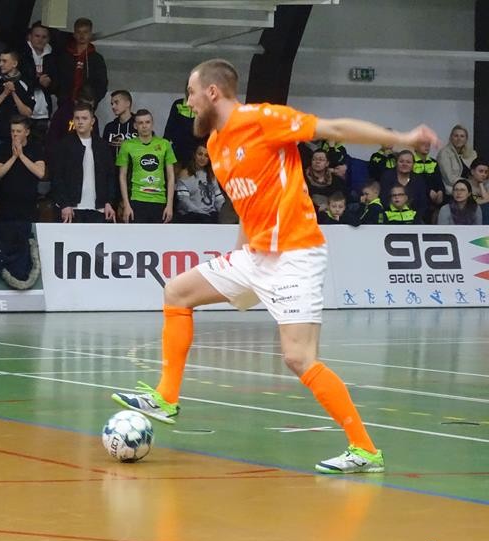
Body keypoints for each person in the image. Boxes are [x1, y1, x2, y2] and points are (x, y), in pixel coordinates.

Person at [111, 58, 438, 474]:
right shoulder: (216, 144)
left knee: (299, 358)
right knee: (177, 291)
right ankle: (166, 397)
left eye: (191, 93)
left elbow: (335, 129)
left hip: (295, 255)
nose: (188, 102)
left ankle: (365, 450)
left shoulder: (262, 120)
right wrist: (237, 266)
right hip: (254, 255)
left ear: (212, 92)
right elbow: (248, 208)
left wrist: (403, 138)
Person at [51, 103, 116, 223]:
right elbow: (57, 177)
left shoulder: (102, 145)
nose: (80, 122)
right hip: (71, 208)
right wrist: (64, 203)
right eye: (77, 118)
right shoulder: (64, 145)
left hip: (99, 208)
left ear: (92, 121)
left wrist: (109, 202)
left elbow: (110, 176)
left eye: (84, 118)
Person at [117, 109, 177, 223]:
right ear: (135, 126)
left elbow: (171, 176)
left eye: (147, 122)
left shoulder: (164, 144)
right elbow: (122, 176)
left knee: (158, 235)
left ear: (152, 123)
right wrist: (126, 204)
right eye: (140, 123)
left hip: (160, 200)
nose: (144, 126)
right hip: (136, 199)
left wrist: (170, 205)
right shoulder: (127, 145)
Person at [0, 50, 35, 161]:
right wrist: (5, 93)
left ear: (14, 63)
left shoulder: (25, 83)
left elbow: (28, 113)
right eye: (0, 61)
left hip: (18, 137)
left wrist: (14, 93)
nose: (0, 64)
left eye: (4, 61)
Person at [174, 144, 225, 224]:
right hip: (192, 215)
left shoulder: (211, 174)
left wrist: (224, 212)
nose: (202, 158)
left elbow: (219, 198)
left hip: (210, 214)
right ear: (194, 155)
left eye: (206, 156)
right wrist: (200, 212)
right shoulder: (184, 174)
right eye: (200, 154)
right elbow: (184, 201)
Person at [436, 124, 477, 195]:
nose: (459, 139)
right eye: (456, 136)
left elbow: (478, 173)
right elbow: (450, 179)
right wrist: (470, 184)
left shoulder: (472, 153)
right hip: (453, 189)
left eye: (462, 136)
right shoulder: (444, 153)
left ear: (466, 139)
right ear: (451, 138)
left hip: (471, 188)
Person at [102, 90, 136, 155]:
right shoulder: (109, 127)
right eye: (112, 104)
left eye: (116, 102)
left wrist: (127, 145)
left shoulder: (139, 125)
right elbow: (103, 151)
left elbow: (147, 148)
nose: (113, 106)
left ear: (127, 103)